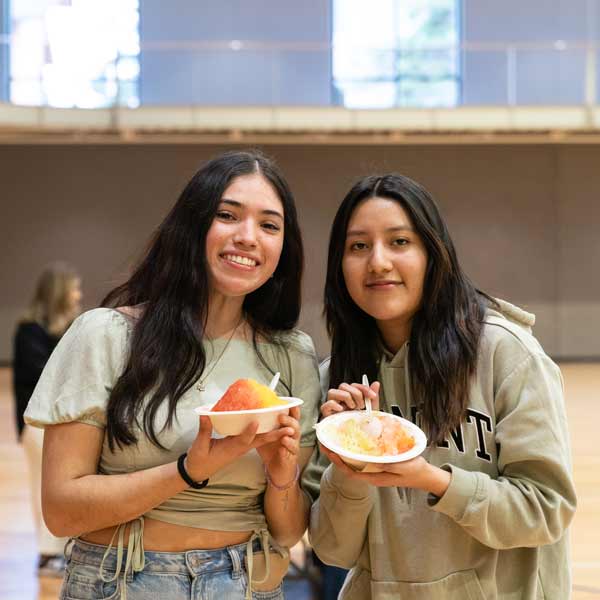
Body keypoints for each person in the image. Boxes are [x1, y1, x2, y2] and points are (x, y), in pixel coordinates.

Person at [24, 150, 321, 600]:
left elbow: (291, 528)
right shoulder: (106, 335)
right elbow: (63, 511)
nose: (247, 237)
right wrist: (187, 471)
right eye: (227, 215)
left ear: (284, 247)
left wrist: (282, 476)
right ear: (193, 225)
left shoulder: (291, 355)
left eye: (269, 225)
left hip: (247, 585)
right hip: (122, 582)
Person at [308, 173, 577, 599]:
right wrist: (352, 471)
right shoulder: (336, 383)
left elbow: (545, 510)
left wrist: (433, 480)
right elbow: (332, 549)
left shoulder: (504, 354)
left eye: (399, 242)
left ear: (433, 253)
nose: (378, 261)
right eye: (358, 246)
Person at [12, 262, 82, 577]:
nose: (79, 294)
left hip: (67, 423)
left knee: (68, 485)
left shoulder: (72, 328)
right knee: (45, 485)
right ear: (59, 293)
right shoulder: (30, 330)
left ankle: (62, 549)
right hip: (37, 423)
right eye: (74, 288)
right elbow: (40, 374)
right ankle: (47, 553)